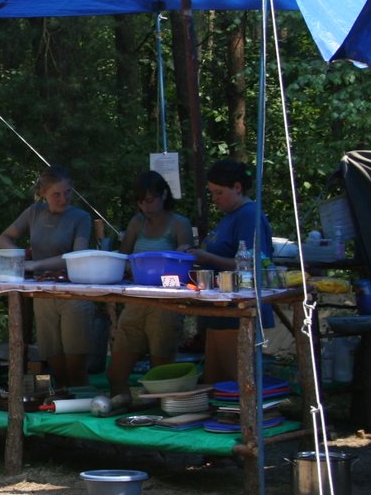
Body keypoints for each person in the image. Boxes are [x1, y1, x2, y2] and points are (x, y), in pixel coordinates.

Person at [0, 165, 96, 389]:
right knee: (55, 365)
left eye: (67, 192)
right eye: (56, 194)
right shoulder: (34, 212)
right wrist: (18, 256)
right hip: (42, 292)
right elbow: (3, 238)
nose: (63, 199)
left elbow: (77, 256)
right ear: (43, 194)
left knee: (76, 366)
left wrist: (36, 264)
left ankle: (81, 406)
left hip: (73, 293)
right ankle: (61, 405)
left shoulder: (81, 217)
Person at [106, 171, 193, 398]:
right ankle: (121, 405)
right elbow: (123, 258)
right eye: (141, 201)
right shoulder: (137, 222)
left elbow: (187, 260)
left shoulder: (179, 223)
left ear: (164, 195)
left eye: (150, 200)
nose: (146, 206)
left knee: (161, 374)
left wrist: (177, 254)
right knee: (116, 373)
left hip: (166, 302)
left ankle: (161, 412)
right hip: (136, 300)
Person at [187, 159, 275, 384]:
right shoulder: (231, 216)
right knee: (215, 380)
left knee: (238, 380)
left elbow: (253, 264)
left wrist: (204, 257)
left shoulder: (249, 215)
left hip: (238, 307)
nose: (215, 198)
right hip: (220, 305)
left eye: (219, 192)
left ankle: (251, 409)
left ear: (237, 187)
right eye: (212, 193)